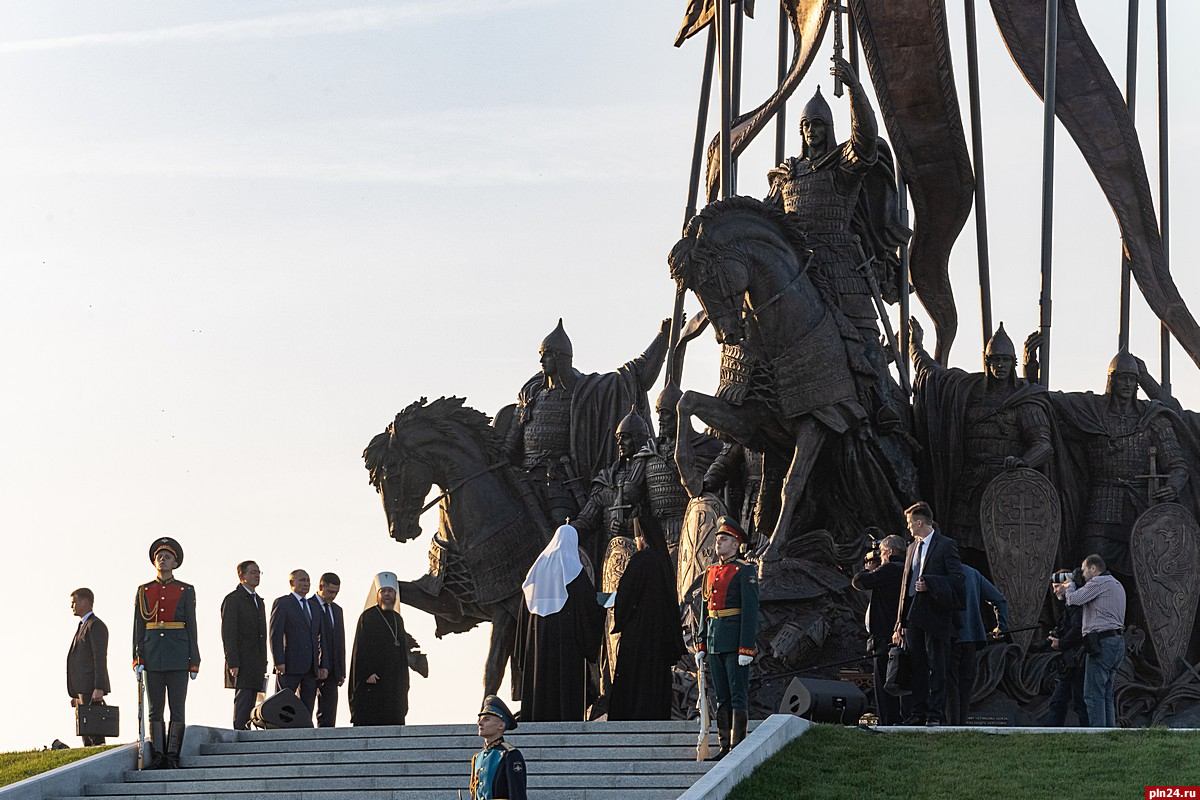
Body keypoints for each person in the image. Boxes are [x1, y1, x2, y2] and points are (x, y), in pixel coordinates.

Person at [909, 319, 1054, 572]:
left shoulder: (1025, 399)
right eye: (995, 360)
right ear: (986, 362)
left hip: (1005, 493)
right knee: (960, 556)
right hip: (968, 489)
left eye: (1005, 360)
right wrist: (915, 347)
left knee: (1000, 562)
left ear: (1013, 363)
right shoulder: (968, 390)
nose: (1000, 365)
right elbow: (933, 375)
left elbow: (1043, 444)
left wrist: (1024, 462)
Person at [504, 318, 670, 526]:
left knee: (560, 523)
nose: (541, 361)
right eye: (541, 355)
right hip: (525, 479)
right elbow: (511, 446)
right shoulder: (531, 396)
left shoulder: (583, 393)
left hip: (559, 482)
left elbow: (634, 375)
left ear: (559, 357)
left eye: (546, 355)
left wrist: (663, 338)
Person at [514, 522, 604, 722]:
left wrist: (524, 649)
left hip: (537, 643)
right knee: (564, 685)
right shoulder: (574, 573)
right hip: (566, 644)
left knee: (539, 681)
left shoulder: (534, 573)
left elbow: (523, 616)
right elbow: (588, 608)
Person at [607, 516, 687, 720]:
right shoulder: (663, 562)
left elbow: (625, 593)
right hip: (660, 634)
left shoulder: (641, 560)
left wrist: (620, 617)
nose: (636, 543)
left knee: (636, 675)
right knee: (655, 676)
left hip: (639, 631)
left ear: (643, 537)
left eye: (637, 538)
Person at [892, 502, 964, 726]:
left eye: (910, 523)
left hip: (935, 613)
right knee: (916, 664)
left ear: (920, 522)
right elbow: (905, 584)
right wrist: (900, 622)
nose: (909, 528)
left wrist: (931, 584)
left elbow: (958, 580)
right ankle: (918, 712)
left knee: (937, 664)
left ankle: (934, 714)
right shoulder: (912, 547)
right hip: (913, 613)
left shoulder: (946, 546)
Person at [695, 516, 759, 758]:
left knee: (737, 693)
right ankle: (723, 744)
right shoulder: (710, 572)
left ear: (736, 543)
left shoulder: (745, 571)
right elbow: (704, 610)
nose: (718, 543)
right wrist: (702, 642)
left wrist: (746, 648)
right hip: (714, 640)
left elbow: (750, 611)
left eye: (724, 539)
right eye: (718, 539)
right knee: (721, 695)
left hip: (734, 641)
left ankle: (737, 746)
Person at [133, 537, 200, 769]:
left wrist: (194, 660)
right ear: (154, 561)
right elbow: (138, 628)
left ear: (175, 562)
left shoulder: (186, 590)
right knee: (154, 709)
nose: (163, 559)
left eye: (167, 556)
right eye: (159, 556)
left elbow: (192, 625)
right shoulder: (144, 590)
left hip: (179, 654)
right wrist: (138, 657)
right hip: (152, 655)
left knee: (177, 708)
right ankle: (158, 755)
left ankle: (173, 755)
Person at [348, 572, 426, 726]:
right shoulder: (367, 617)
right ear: (377, 595)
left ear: (395, 594)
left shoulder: (398, 619)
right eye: (383, 592)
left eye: (390, 591)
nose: (387, 595)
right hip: (374, 678)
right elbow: (361, 649)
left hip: (394, 679)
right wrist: (368, 672)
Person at [1059, 554, 1126, 727]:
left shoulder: (1098, 583)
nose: (1082, 574)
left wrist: (1070, 585)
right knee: (1106, 695)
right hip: (1117, 643)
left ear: (1093, 568)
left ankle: (1099, 736)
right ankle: (1110, 735)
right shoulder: (1117, 584)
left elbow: (1073, 600)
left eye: (1083, 570)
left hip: (1102, 643)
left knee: (1092, 694)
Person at [851, 533, 905, 725]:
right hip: (900, 634)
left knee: (883, 682)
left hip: (884, 636)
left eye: (881, 553)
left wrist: (870, 570)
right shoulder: (907, 568)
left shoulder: (890, 569)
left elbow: (859, 581)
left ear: (889, 552)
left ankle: (888, 721)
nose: (880, 557)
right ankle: (900, 718)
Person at [946, 564, 1008, 725]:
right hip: (971, 637)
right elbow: (999, 599)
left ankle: (952, 724)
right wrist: (1001, 625)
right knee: (965, 686)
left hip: (947, 638)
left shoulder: (938, 571)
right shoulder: (972, 572)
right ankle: (961, 723)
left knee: (949, 685)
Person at [269, 568, 327, 723]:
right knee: (283, 703)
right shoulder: (283, 603)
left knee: (307, 706)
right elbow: (275, 634)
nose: (306, 584)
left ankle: (305, 733)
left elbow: (321, 637)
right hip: (289, 664)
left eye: (308, 580)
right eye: (302, 580)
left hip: (310, 667)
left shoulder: (314, 607)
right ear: (291, 582)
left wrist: (322, 664)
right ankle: (279, 731)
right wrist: (278, 661)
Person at [220, 560, 267, 731]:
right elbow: (229, 633)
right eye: (253, 572)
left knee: (254, 699)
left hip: (256, 660)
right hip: (242, 660)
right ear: (242, 576)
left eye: (258, 572)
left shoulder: (258, 601)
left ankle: (248, 731)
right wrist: (233, 661)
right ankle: (240, 733)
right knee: (243, 699)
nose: (256, 576)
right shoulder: (233, 600)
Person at [67, 587, 111, 746]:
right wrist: (75, 694)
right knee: (85, 733)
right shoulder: (82, 625)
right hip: (81, 690)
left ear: (85, 602)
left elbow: (99, 658)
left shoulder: (95, 625)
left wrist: (99, 687)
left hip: (91, 688)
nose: (72, 606)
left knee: (94, 733)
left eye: (74, 602)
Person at [1045, 568, 1088, 727]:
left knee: (1080, 703)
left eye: (1057, 585)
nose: (1054, 590)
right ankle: (1050, 734)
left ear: (1067, 584)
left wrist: (1061, 643)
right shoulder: (1070, 606)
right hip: (1070, 663)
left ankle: (1089, 735)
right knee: (1058, 701)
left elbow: (1078, 629)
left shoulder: (1075, 604)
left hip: (1077, 661)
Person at [470, 694, 527, 800]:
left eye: (486, 719)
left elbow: (517, 794)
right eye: (480, 719)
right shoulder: (477, 757)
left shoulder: (510, 755)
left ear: (501, 725)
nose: (479, 723)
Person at [311, 572, 347, 728]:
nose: (333, 596)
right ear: (321, 586)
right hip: (311, 668)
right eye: (331, 592)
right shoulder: (308, 605)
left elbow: (340, 642)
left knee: (329, 711)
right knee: (305, 708)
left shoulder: (337, 610)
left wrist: (341, 671)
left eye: (336, 593)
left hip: (332, 670)